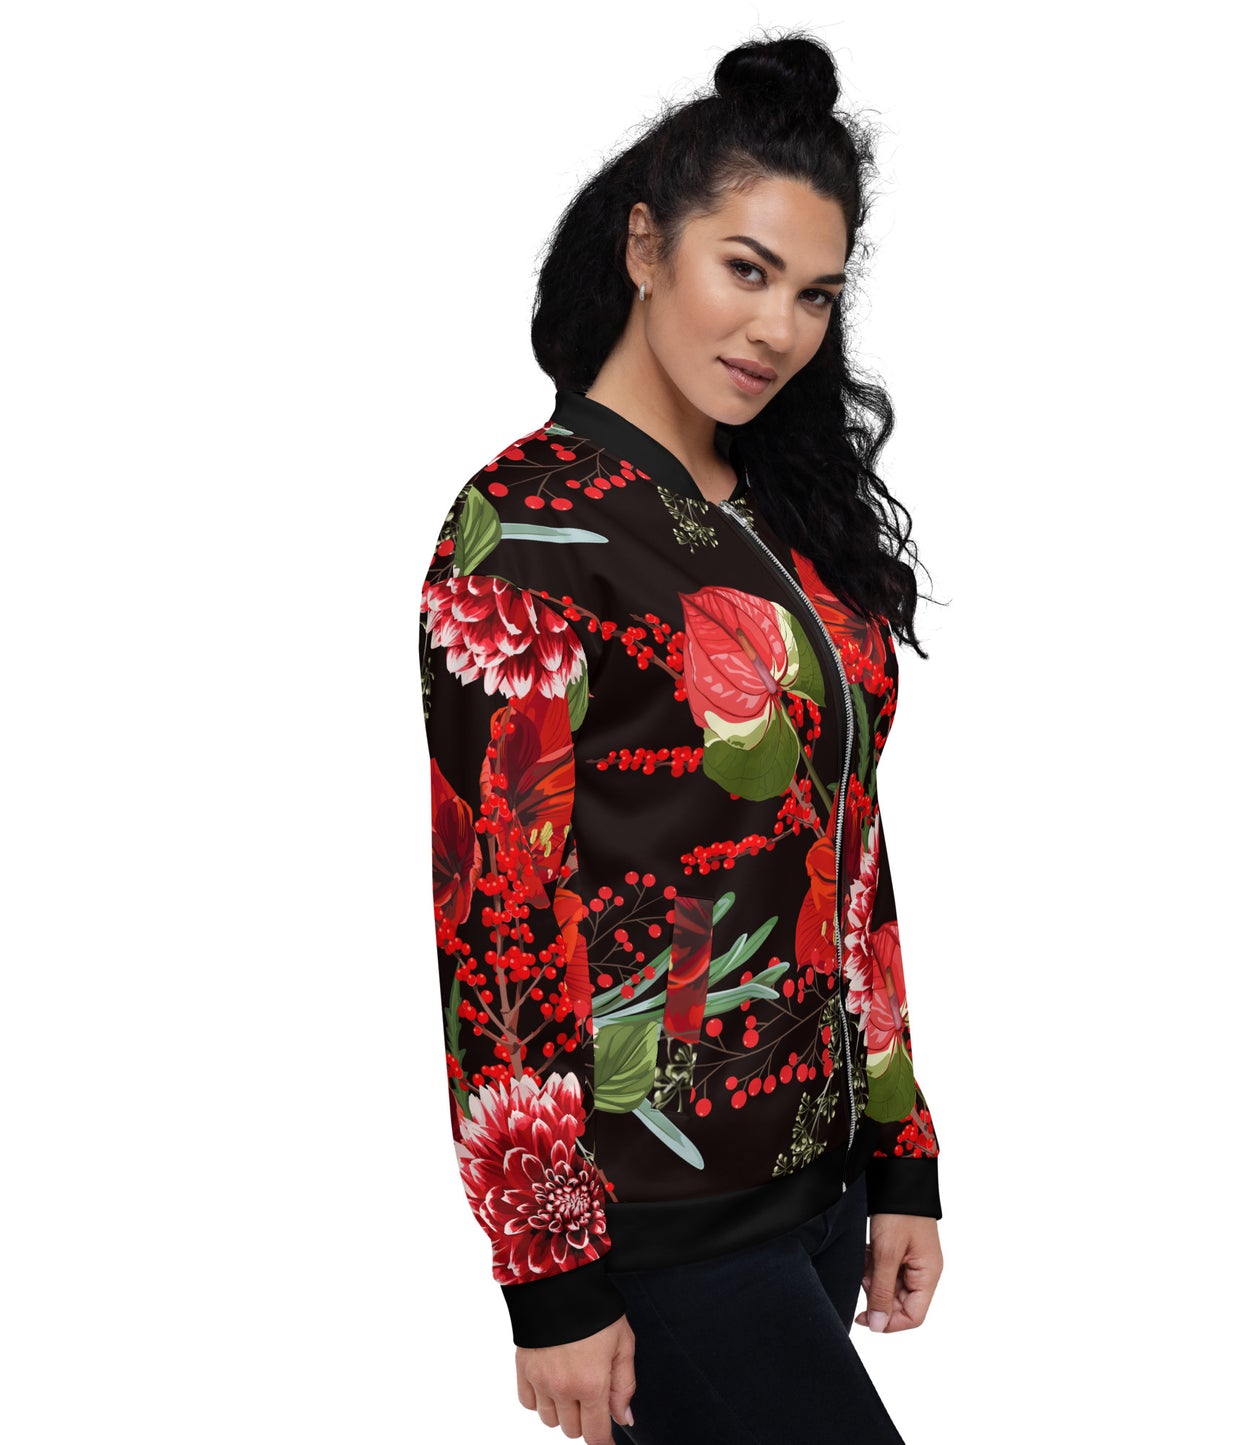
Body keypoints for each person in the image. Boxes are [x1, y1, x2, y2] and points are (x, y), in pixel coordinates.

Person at [419, 30, 944, 1445]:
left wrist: (900, 1148)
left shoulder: (790, 513)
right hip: (653, 1217)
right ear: (647, 245)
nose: (779, 329)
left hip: (817, 1187)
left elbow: (847, 842)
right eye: (746, 270)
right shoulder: (524, 533)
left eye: (816, 295)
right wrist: (547, 1274)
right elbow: (494, 913)